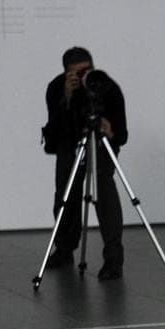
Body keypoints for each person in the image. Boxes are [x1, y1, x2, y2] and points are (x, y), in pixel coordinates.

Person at [41, 46, 127, 280]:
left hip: (100, 145)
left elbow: (122, 134)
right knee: (65, 195)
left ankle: (113, 259)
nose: (83, 77)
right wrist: (67, 98)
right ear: (66, 72)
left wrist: (111, 131)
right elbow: (56, 129)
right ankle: (65, 249)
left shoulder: (107, 87)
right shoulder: (57, 87)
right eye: (77, 73)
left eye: (87, 70)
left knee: (105, 193)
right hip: (69, 145)